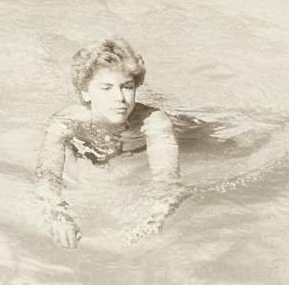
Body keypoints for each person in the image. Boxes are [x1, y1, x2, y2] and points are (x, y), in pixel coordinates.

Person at [35, 37, 183, 248]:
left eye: (127, 87)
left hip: (182, 129)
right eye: (106, 88)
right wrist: (58, 215)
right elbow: (47, 175)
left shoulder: (154, 121)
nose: (119, 98)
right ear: (85, 92)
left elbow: (167, 180)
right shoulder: (65, 122)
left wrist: (153, 217)